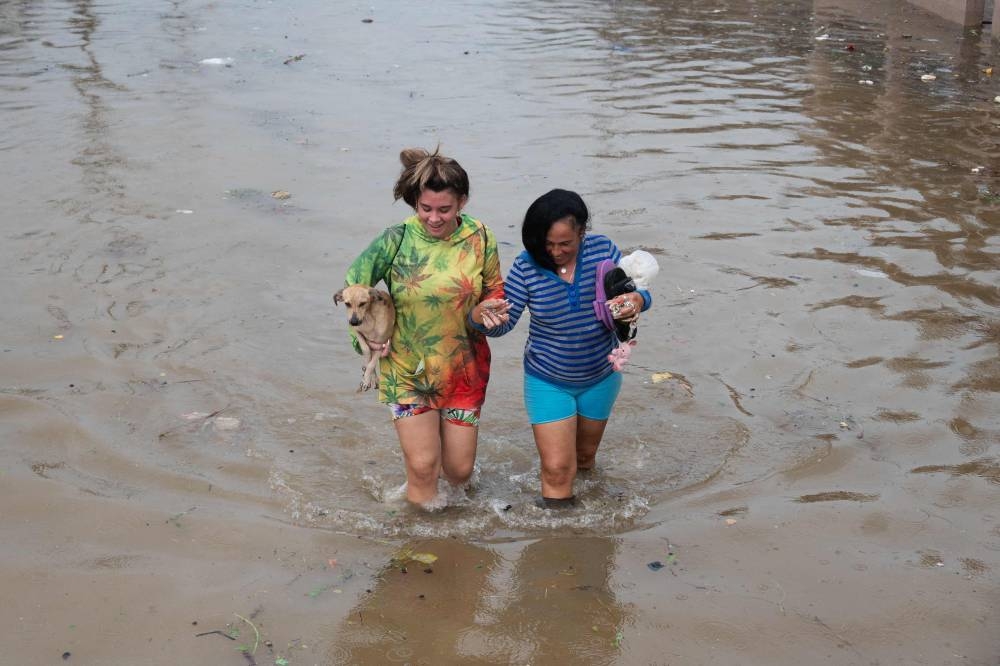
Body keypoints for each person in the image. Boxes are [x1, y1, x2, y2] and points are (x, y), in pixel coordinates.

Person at [343, 147, 505, 507]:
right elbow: (354, 287)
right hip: (406, 366)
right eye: (425, 209)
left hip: (464, 368)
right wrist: (367, 341)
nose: (434, 218)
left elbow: (494, 290)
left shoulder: (480, 237)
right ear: (415, 203)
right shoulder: (395, 239)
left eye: (444, 210)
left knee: (459, 472)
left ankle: (442, 515)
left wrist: (492, 313)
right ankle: (421, 545)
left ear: (462, 201)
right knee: (422, 465)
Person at [470, 189, 651, 507]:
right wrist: (482, 316)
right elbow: (504, 325)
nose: (555, 252)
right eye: (548, 243)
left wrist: (637, 301)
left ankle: (582, 541)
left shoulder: (603, 251)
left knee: (583, 459)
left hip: (601, 374)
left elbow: (635, 292)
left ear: (582, 232)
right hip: (547, 380)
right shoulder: (527, 265)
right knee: (556, 470)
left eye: (565, 243)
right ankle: (556, 538)